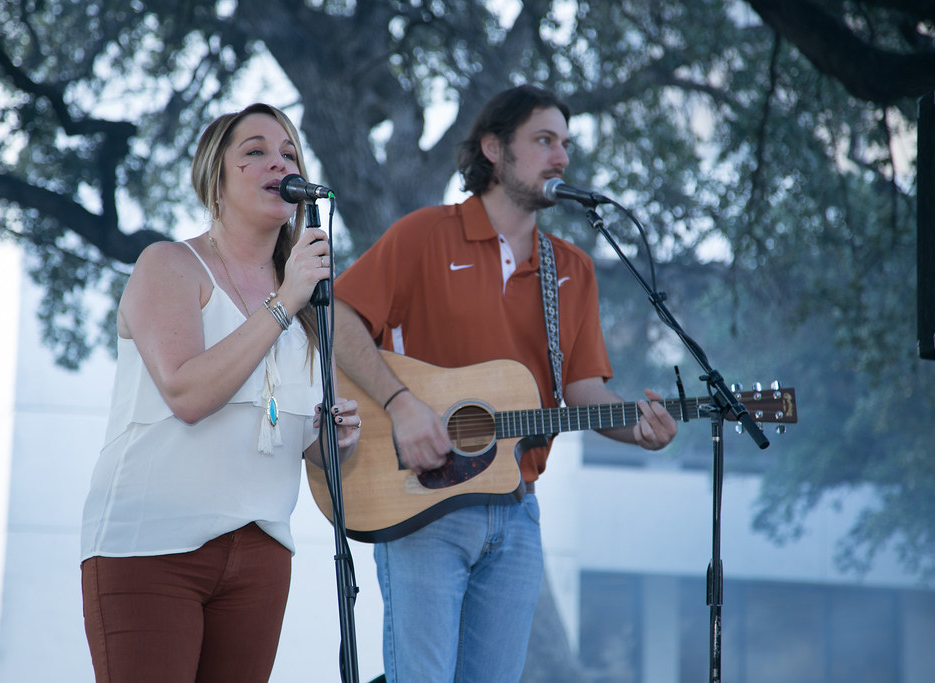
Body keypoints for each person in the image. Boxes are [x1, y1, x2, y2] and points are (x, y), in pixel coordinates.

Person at [333, 85, 678, 681]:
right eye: (544, 140)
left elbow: (584, 391)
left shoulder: (571, 269)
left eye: (566, 144)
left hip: (519, 511)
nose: (561, 157)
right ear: (493, 148)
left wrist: (641, 428)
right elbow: (336, 316)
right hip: (423, 503)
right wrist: (403, 406)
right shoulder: (423, 235)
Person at [79, 102, 361, 683]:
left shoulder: (310, 300)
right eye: (253, 151)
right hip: (153, 544)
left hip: (260, 550)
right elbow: (187, 394)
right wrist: (284, 301)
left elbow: (289, 430)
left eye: (288, 153)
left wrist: (331, 437)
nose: (276, 163)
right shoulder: (170, 265)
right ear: (215, 178)